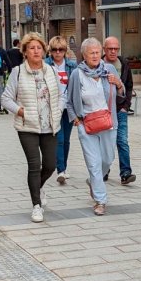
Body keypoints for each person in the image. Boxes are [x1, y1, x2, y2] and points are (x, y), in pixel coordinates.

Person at [1, 33, 64, 223]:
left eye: (39, 48)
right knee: (34, 166)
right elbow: (5, 98)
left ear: (44, 51)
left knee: (51, 165)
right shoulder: (17, 72)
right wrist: (20, 111)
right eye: (32, 48)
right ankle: (36, 205)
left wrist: (59, 110)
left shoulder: (51, 71)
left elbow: (62, 95)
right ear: (25, 52)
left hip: (49, 126)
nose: (36, 51)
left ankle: (38, 187)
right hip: (27, 126)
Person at [66, 38, 118, 216]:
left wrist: (117, 83)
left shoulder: (109, 70)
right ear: (84, 55)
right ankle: (100, 200)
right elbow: (70, 101)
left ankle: (93, 182)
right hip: (87, 125)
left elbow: (122, 92)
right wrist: (76, 120)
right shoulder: (77, 74)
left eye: (97, 52)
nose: (95, 55)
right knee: (94, 164)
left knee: (107, 160)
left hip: (108, 124)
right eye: (91, 53)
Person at [102, 36, 134, 185]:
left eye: (116, 48)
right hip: (103, 111)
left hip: (119, 109)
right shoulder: (98, 64)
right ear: (104, 49)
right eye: (110, 49)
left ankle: (126, 173)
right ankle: (104, 170)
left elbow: (129, 85)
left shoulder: (124, 64)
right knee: (105, 142)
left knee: (122, 141)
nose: (113, 51)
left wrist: (126, 107)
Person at [46, 37, 77, 185]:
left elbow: (77, 86)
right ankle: (61, 170)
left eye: (61, 50)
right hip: (54, 106)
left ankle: (63, 167)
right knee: (59, 139)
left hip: (69, 107)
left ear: (65, 51)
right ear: (50, 51)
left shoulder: (72, 66)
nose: (58, 53)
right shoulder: (45, 65)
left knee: (66, 140)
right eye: (54, 50)